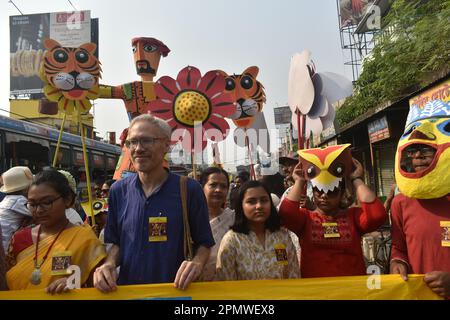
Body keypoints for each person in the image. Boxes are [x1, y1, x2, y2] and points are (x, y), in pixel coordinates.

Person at [94, 114, 214, 292]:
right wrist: (109, 264)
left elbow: (204, 242)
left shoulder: (189, 189)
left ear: (166, 144)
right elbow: (116, 243)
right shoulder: (118, 191)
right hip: (128, 292)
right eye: (132, 142)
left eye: (146, 141)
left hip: (176, 292)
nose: (138, 149)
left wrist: (196, 263)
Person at [279, 145, 387, 278]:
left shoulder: (353, 216)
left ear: (342, 194)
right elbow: (286, 214)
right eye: (319, 190)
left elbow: (377, 215)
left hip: (353, 291)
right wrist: (300, 181)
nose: (324, 196)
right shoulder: (306, 218)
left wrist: (356, 179)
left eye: (331, 192)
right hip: (316, 292)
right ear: (313, 192)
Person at [6, 169, 106, 293]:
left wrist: (74, 283)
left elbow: (100, 287)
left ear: (67, 200)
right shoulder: (19, 238)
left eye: (46, 202)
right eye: (32, 204)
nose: (38, 210)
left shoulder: (85, 239)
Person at [99, 37, 170, 180]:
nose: (140, 56)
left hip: (153, 148)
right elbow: (98, 91)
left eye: (148, 49)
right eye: (134, 50)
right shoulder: (129, 88)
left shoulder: (167, 90)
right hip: (133, 149)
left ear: (159, 55)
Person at [390, 143, 450, 298]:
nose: (418, 156)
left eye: (426, 149)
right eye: (412, 150)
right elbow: (399, 248)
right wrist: (397, 263)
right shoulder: (400, 203)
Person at [216, 180, 300, 280]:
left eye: (264, 200)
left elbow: (293, 276)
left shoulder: (283, 236)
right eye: (251, 201)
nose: (259, 206)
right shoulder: (232, 241)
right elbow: (226, 285)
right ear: (241, 206)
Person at [198, 167, 235, 281]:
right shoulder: (190, 219)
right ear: (202, 188)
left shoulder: (234, 218)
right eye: (213, 185)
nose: (218, 190)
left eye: (223, 186)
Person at [0, 166, 34, 252]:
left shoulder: (7, 200)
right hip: (4, 245)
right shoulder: (19, 201)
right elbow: (36, 214)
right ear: (26, 189)